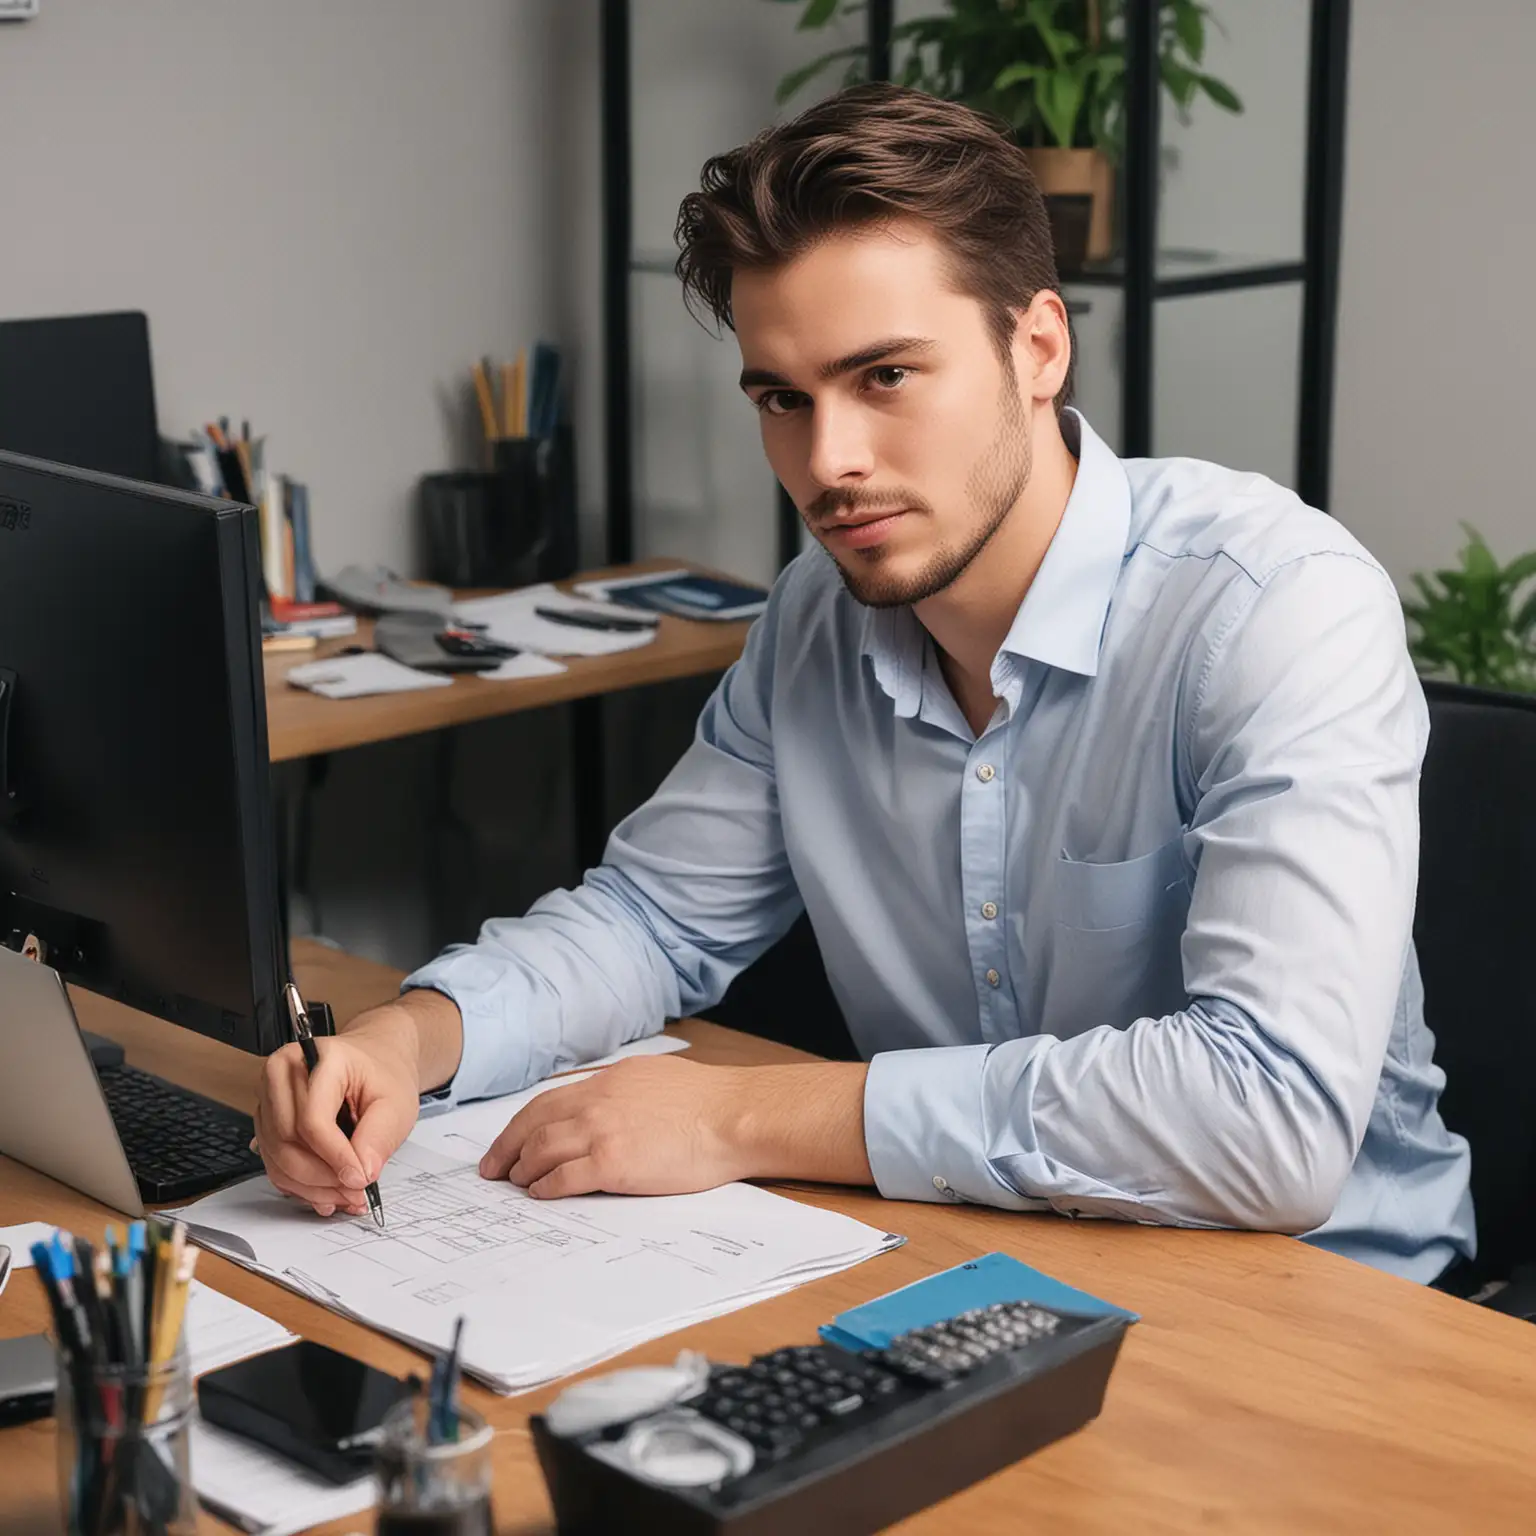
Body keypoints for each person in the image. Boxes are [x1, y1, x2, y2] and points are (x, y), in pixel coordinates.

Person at [255, 84, 1473, 1285]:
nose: (828, 462)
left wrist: (733, 1118)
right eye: (783, 398)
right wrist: (405, 1042)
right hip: (987, 1255)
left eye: (884, 377)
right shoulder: (812, 622)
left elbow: (1268, 1121)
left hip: (1331, 1298)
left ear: (1037, 345)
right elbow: (651, 922)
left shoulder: (1273, 606)